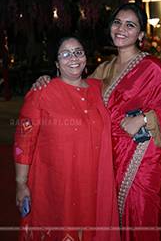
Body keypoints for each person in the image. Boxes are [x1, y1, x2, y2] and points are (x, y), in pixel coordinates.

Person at [33, 3, 161, 241]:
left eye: (130, 25)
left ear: (141, 34)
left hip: (144, 163)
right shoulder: (105, 69)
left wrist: (143, 119)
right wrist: (49, 82)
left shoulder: (152, 67)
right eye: (117, 22)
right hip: (109, 161)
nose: (121, 29)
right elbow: (76, 94)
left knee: (143, 221)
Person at [14, 34, 121, 241]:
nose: (73, 58)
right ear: (56, 62)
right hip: (55, 185)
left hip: (94, 184)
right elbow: (23, 142)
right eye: (65, 54)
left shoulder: (99, 89)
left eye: (78, 52)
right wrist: (21, 183)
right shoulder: (42, 92)